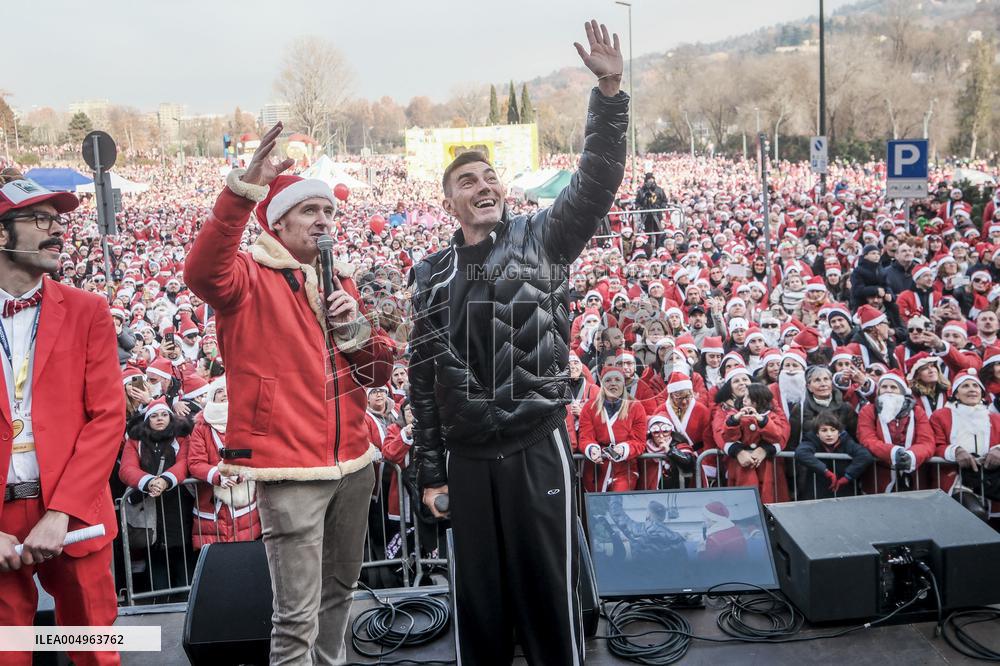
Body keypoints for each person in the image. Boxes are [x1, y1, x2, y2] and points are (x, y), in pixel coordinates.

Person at [408, 20, 627, 665]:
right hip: (468, 460)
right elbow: (423, 384)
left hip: (536, 445)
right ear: (448, 201)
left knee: (549, 597)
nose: (484, 186)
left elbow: (597, 180)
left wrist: (609, 93)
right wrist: (427, 472)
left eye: (490, 177)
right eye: (467, 181)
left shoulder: (543, 240)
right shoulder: (429, 276)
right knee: (478, 607)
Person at [185, 123, 395, 664]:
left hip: (353, 460)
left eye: (329, 212)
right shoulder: (247, 277)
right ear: (277, 222)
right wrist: (241, 192)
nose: (324, 220)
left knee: (339, 598)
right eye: (310, 211)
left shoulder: (341, 280)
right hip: (291, 469)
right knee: (296, 616)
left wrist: (357, 331)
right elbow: (201, 271)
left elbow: (377, 375)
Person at [0, 171, 126, 666]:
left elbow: (108, 417)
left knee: (97, 651)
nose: (57, 231)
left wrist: (61, 513)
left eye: (58, 220)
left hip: (73, 512)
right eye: (39, 220)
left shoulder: (88, 310)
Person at [795, 410, 874, 500]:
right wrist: (826, 472)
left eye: (833, 430)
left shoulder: (846, 442)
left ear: (839, 432)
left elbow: (865, 456)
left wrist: (847, 477)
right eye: (824, 430)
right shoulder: (811, 440)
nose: (829, 434)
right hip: (816, 494)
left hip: (844, 493)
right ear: (817, 433)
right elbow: (801, 453)